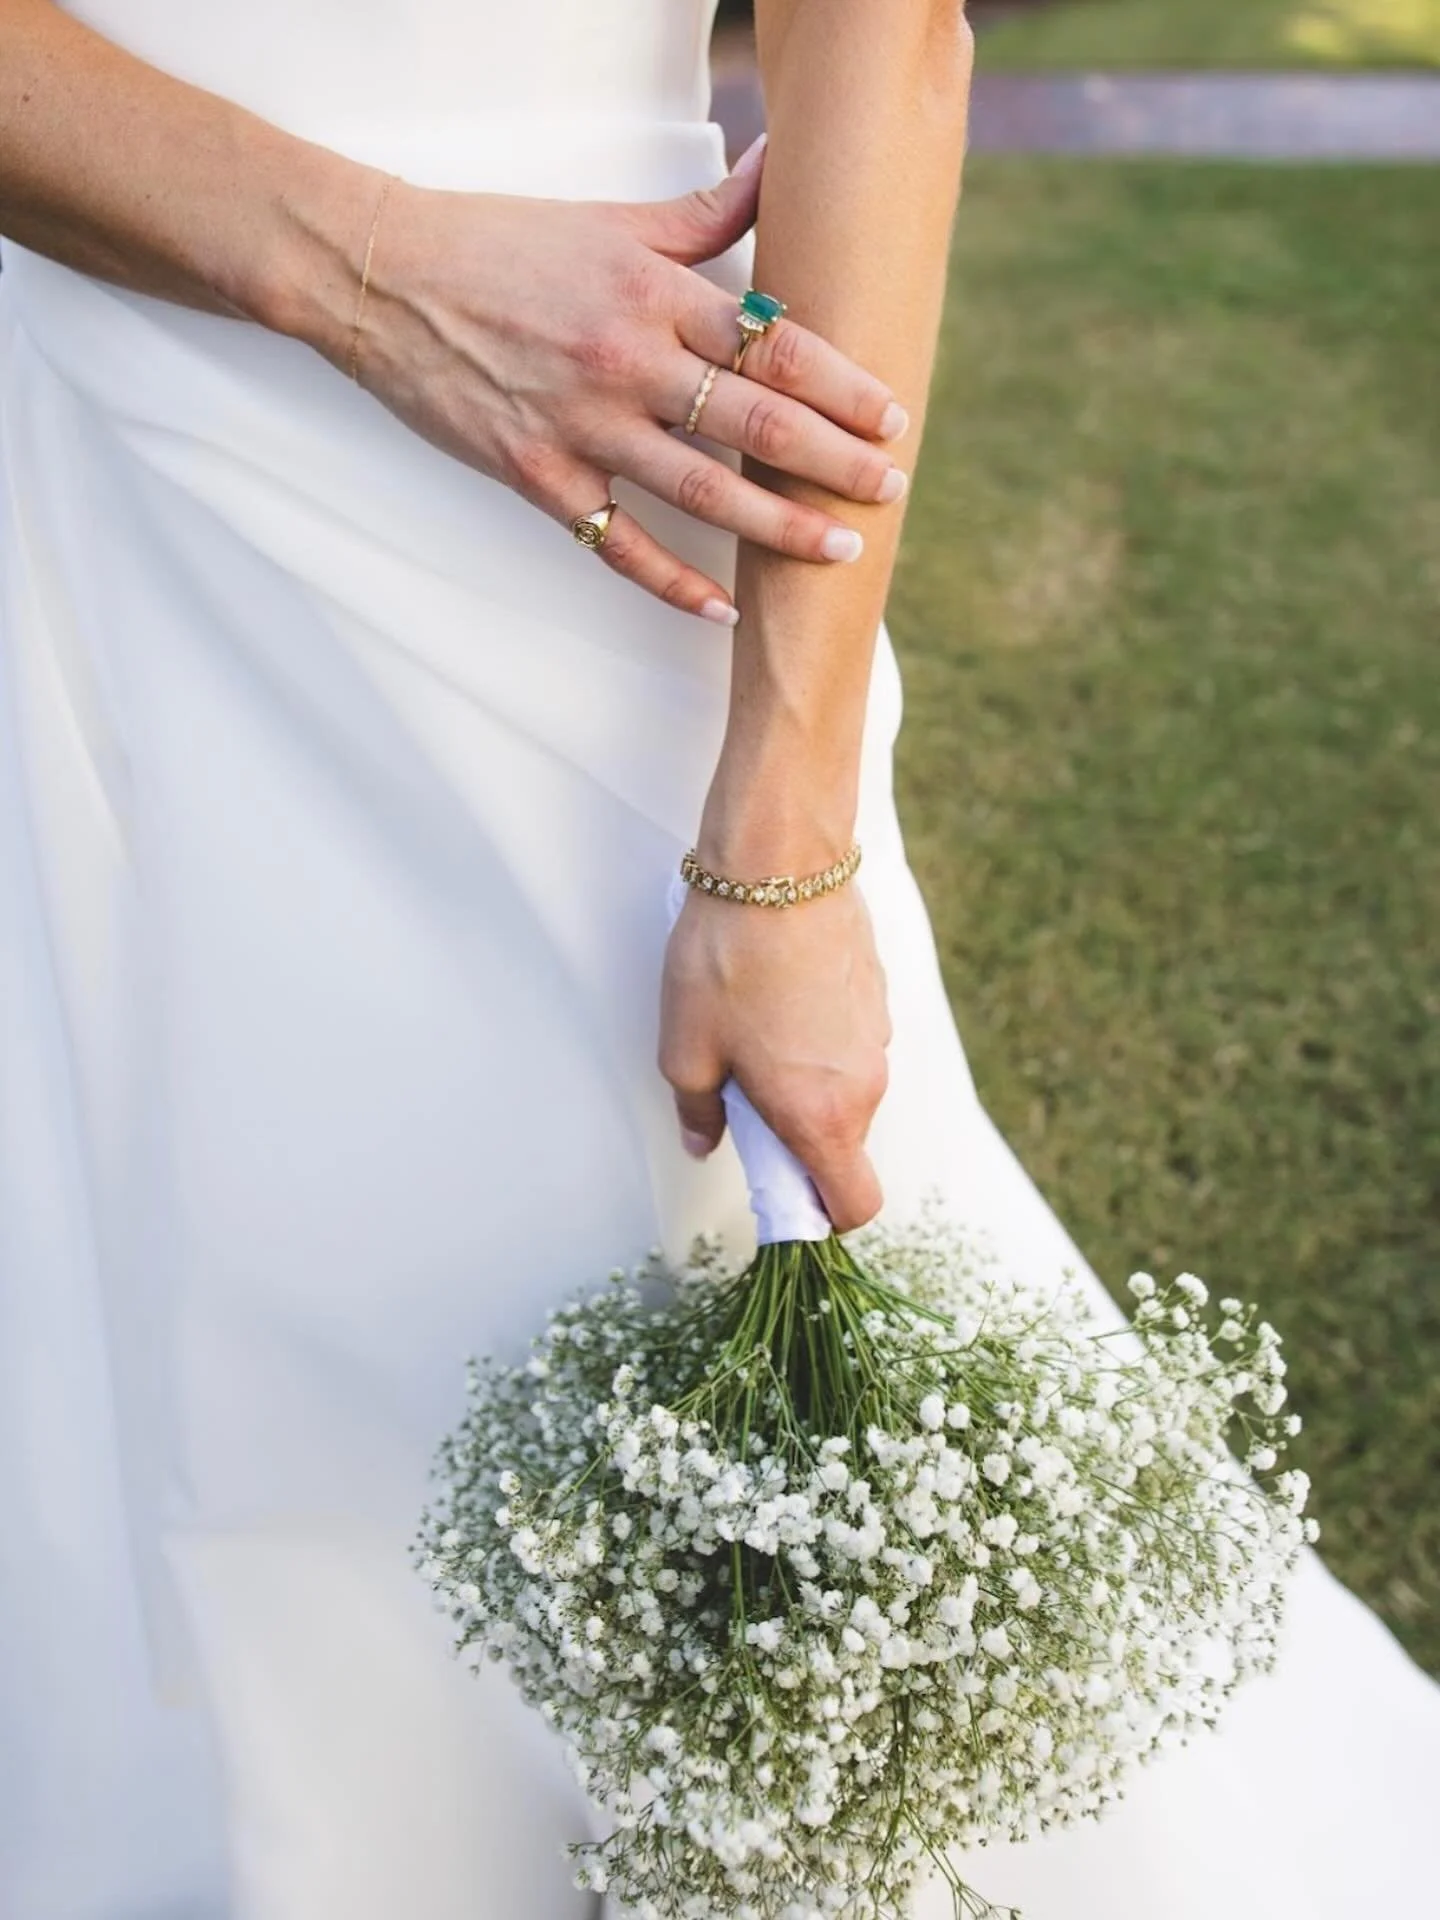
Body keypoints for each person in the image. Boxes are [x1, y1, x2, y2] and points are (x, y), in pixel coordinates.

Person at [1, 3, 1437, 1916]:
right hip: (70, 436)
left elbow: (878, 35)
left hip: (578, 465)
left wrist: (785, 837)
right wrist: (364, 268)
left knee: (588, 1275)